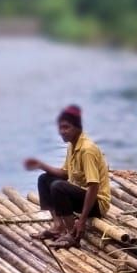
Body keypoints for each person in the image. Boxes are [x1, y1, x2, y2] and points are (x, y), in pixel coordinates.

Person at [23, 105, 112, 247]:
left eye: (66, 128)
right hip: (81, 196)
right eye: (60, 128)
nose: (62, 132)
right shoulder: (72, 145)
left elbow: (94, 186)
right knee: (44, 179)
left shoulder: (87, 150)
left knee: (58, 186)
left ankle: (73, 234)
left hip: (96, 203)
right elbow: (65, 174)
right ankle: (58, 226)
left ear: (77, 128)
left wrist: (82, 220)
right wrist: (41, 165)